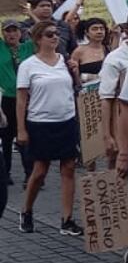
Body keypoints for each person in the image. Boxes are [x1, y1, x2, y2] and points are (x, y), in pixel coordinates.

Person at [16, 20, 81, 236]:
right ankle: (26, 210)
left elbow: (76, 88)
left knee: (69, 168)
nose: (55, 38)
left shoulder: (65, 61)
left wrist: (75, 72)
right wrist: (21, 129)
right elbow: (22, 100)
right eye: (49, 34)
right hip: (40, 122)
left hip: (66, 120)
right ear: (38, 39)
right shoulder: (29, 65)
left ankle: (67, 219)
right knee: (40, 171)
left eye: (56, 34)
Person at [0, 19, 32, 184]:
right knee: (5, 138)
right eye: (7, 31)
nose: (11, 34)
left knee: (26, 137)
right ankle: (6, 173)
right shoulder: (0, 48)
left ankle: (30, 174)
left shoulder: (28, 47)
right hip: (7, 99)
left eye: (14, 30)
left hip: (28, 99)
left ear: (21, 32)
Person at [71, 17, 112, 94]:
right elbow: (74, 77)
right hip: (88, 96)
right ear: (86, 32)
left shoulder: (108, 49)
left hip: (108, 92)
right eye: (95, 29)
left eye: (101, 28)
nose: (99, 31)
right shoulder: (79, 51)